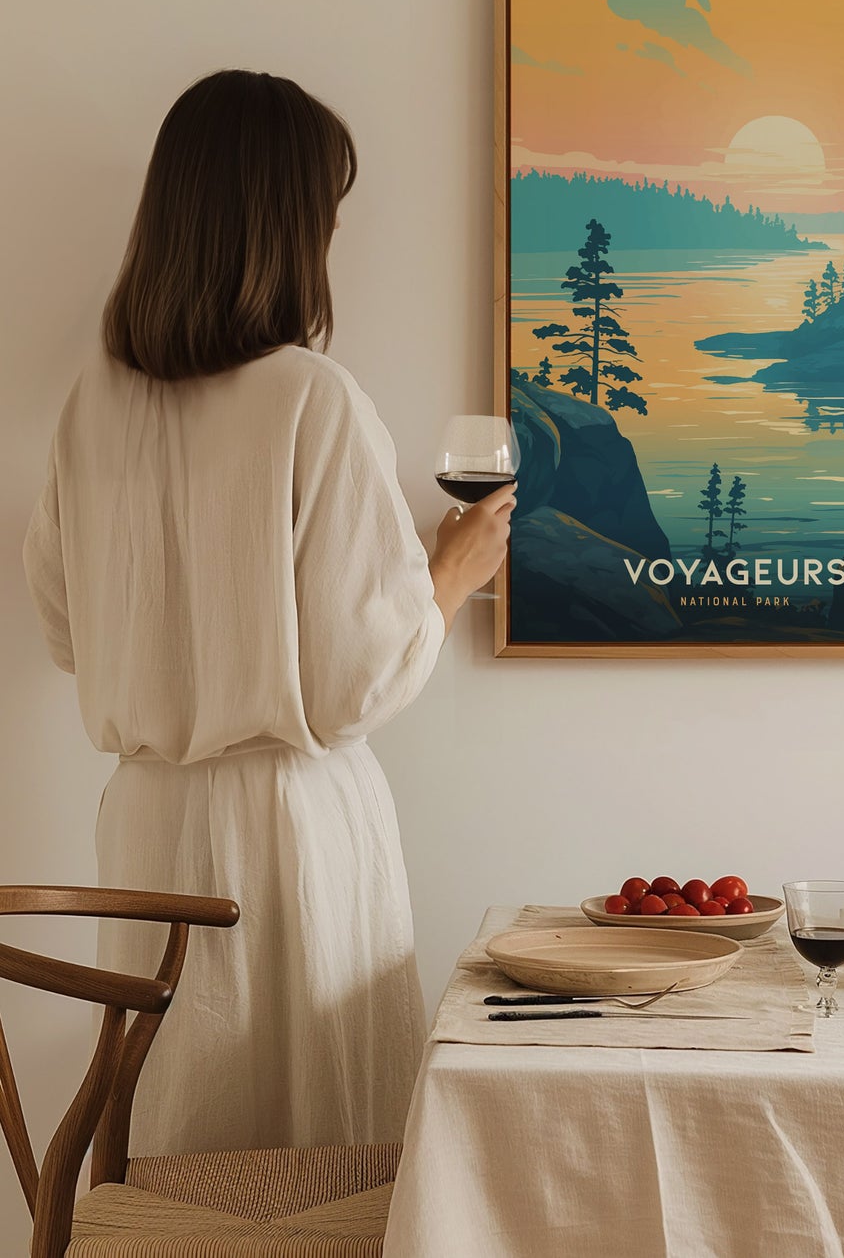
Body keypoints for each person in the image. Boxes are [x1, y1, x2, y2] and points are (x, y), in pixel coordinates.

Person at [21, 69, 511, 1154]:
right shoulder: (309, 396)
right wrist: (448, 572)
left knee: (177, 1138)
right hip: (289, 831)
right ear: (287, 225)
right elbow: (350, 684)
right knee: (313, 1155)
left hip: (146, 821)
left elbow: (65, 629)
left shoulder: (91, 403)